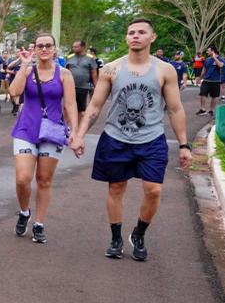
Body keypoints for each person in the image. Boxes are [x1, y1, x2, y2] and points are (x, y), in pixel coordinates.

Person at [70, 19, 191, 262]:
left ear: (152, 37)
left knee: (153, 190)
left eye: (141, 32)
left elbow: (175, 109)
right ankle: (116, 238)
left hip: (151, 138)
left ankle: (139, 233)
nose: (135, 36)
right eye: (131, 32)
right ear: (126, 38)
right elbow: (95, 106)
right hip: (116, 138)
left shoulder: (164, 70)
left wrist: (184, 144)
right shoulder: (111, 69)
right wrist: (80, 134)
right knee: (116, 187)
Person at [8, 33, 78, 244]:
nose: (44, 49)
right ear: (35, 49)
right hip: (26, 130)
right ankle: (24, 212)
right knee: (23, 179)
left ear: (55, 49)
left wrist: (74, 131)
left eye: (48, 45)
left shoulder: (64, 74)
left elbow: (71, 104)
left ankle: (39, 223)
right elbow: (14, 91)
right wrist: (24, 66)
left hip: (52, 131)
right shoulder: (28, 70)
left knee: (44, 180)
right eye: (40, 46)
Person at [66, 40, 98, 126]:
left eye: (76, 47)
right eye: (73, 47)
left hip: (83, 87)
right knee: (68, 106)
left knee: (80, 109)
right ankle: (67, 127)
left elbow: (94, 73)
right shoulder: (69, 57)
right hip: (70, 87)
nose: (74, 48)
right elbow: (66, 71)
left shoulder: (90, 58)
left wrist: (96, 86)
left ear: (83, 47)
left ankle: (77, 127)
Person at [198, 47, 223, 116]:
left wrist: (214, 58)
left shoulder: (220, 58)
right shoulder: (207, 59)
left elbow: (221, 65)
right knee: (202, 94)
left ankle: (211, 110)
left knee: (214, 96)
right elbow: (204, 69)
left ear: (213, 51)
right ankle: (202, 109)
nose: (207, 52)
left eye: (208, 51)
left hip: (216, 81)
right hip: (206, 80)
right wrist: (200, 77)